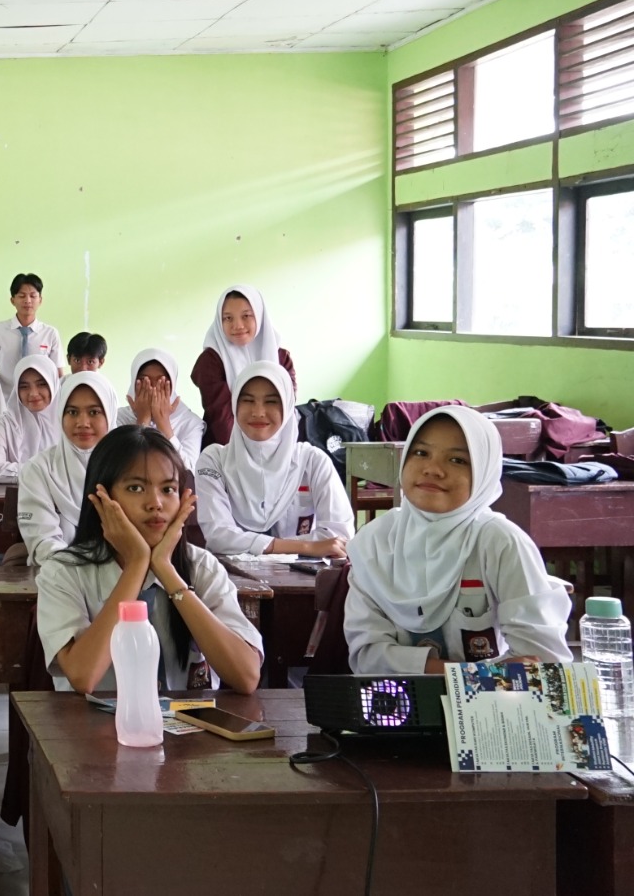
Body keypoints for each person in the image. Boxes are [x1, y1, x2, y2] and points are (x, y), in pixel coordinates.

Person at [345, 406, 572, 675]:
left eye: (457, 460)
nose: (433, 469)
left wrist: (440, 672)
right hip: (399, 706)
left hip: (493, 709)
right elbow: (367, 656)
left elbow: (542, 662)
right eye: (421, 453)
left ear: (484, 472)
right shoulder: (373, 542)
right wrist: (478, 674)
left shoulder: (500, 542)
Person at [37, 426, 263, 694]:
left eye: (168, 489)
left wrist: (167, 572)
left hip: (190, 731)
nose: (155, 503)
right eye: (135, 487)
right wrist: (136, 565)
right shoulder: (63, 571)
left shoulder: (201, 566)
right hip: (94, 731)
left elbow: (246, 677)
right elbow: (84, 677)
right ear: (102, 496)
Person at [194, 361, 352, 559]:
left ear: (287, 406)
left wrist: (248, 544)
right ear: (234, 404)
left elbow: (338, 536)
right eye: (248, 400)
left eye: (271, 402)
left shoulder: (312, 462)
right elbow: (218, 536)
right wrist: (307, 547)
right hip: (231, 582)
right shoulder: (213, 461)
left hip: (304, 582)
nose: (258, 412)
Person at [17, 372, 118, 566]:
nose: (82, 423)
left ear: (110, 413)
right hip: (59, 581)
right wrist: (85, 572)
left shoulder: (127, 467)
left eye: (94, 412)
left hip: (124, 578)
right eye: (72, 412)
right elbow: (44, 544)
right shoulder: (39, 470)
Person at [191, 285, 296, 447]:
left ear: (259, 316)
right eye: (228, 318)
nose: (237, 325)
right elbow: (221, 418)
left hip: (278, 448)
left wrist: (276, 451)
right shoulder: (210, 361)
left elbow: (286, 412)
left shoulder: (281, 358)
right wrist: (247, 456)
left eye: (246, 316)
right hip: (226, 452)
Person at [115, 348, 204, 470]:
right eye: (144, 381)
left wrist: (163, 424)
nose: (152, 389)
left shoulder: (191, 423)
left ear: (172, 385)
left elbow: (189, 474)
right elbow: (119, 469)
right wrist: (143, 421)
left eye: (161, 382)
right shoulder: (117, 418)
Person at [0, 356, 61, 484]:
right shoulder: (4, 423)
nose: (33, 393)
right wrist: (45, 473)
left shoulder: (68, 422)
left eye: (41, 384)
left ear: (53, 384)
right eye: (24, 386)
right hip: (18, 501)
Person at [0, 273, 62, 398]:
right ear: (12, 300)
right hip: (5, 400)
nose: (27, 301)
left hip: (40, 401)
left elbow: (58, 374)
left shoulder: (50, 333)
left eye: (33, 296)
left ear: (40, 300)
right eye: (22, 296)